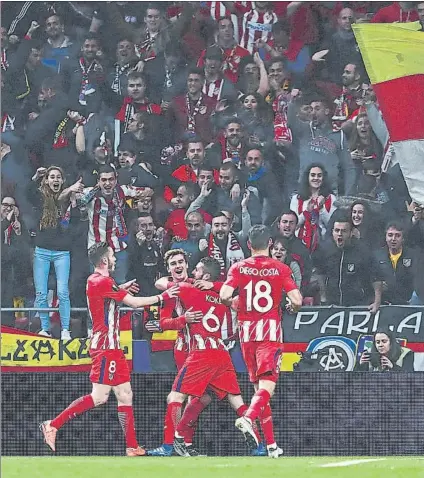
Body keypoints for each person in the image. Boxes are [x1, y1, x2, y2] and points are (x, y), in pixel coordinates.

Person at [39, 241, 180, 456]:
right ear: (104, 260)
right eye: (112, 256)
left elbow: (108, 297)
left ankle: (132, 447)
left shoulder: (99, 281)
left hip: (112, 347)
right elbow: (132, 303)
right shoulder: (102, 281)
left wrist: (120, 289)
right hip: (105, 347)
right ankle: (53, 424)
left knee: (125, 394)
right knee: (99, 397)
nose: (115, 259)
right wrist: (162, 297)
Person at [220, 225, 303, 458]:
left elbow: (224, 296)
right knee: (269, 386)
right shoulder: (281, 268)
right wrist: (291, 305)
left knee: (259, 390)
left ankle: (271, 445)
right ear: (269, 244)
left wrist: (237, 303)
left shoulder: (238, 267)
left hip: (246, 334)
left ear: (249, 245)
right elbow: (296, 299)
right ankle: (247, 418)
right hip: (269, 333)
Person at [290, 163, 336, 253]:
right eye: (313, 175)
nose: (316, 178)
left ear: (324, 178)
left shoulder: (331, 198)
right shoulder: (296, 198)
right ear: (307, 177)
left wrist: (322, 209)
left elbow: (332, 225)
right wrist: (306, 212)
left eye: (319, 175)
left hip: (323, 244)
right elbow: (293, 225)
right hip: (299, 242)